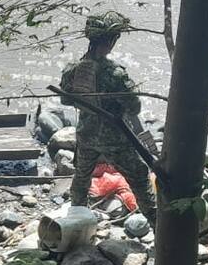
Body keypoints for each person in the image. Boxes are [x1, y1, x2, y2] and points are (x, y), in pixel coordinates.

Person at [60, 13, 158, 220]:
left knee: (82, 176)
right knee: (139, 178)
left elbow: (66, 100)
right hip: (115, 138)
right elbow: (134, 107)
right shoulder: (114, 74)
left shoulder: (73, 70)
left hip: (85, 134)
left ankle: (77, 216)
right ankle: (157, 224)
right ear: (111, 41)